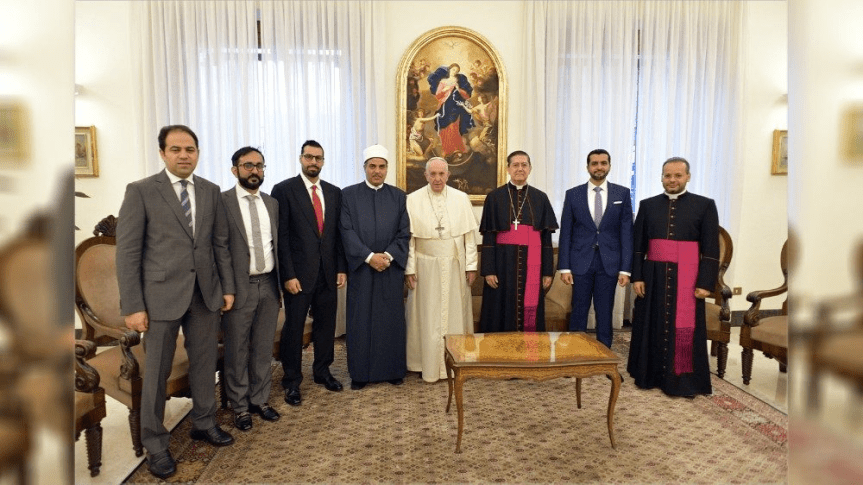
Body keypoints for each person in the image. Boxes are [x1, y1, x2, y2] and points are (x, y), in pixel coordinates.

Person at [116, 125, 235, 480]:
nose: (184, 155)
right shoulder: (141, 191)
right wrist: (133, 305)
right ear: (162, 153)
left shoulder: (211, 191)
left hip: (205, 294)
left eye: (190, 149)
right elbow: (128, 253)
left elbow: (219, 245)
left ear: (198, 152)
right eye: (176, 149)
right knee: (157, 373)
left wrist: (227, 288)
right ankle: (155, 444)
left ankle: (204, 422)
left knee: (204, 364)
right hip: (159, 298)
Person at [627, 157, 719, 397]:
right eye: (668, 175)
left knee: (684, 328)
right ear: (661, 177)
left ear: (688, 177)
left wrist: (705, 283)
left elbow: (711, 249)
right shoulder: (648, 205)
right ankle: (649, 376)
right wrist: (637, 277)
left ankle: (683, 379)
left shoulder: (705, 205)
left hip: (688, 275)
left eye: (678, 175)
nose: (672, 180)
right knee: (652, 324)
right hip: (653, 276)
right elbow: (638, 246)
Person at [271, 140, 347, 407]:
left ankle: (322, 371)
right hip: (298, 277)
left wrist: (340, 268)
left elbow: (337, 235)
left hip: (328, 272)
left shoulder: (334, 192)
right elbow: (281, 237)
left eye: (318, 158)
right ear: (301, 159)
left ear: (323, 161)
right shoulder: (283, 190)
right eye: (309, 157)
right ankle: (292, 381)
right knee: (293, 328)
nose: (313, 162)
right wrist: (287, 275)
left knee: (326, 326)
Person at [339, 144, 411, 389]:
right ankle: (360, 374)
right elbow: (346, 231)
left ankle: (392, 370)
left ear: (387, 168)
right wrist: (369, 257)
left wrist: (388, 256)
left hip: (389, 268)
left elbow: (404, 232)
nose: (377, 171)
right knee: (360, 320)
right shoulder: (348, 195)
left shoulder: (399, 196)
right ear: (365, 168)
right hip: (362, 269)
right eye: (372, 166)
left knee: (390, 320)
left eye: (381, 166)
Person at [220, 147, 281, 431]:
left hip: (269, 284)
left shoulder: (272, 203)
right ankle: (240, 406)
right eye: (248, 165)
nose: (254, 171)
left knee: (263, 347)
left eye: (259, 165)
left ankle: (260, 400)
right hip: (238, 286)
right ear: (235, 170)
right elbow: (217, 249)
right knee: (237, 348)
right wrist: (225, 288)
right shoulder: (222, 203)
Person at [404, 157, 478, 382]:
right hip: (425, 266)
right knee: (425, 314)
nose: (437, 179)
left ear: (448, 175)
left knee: (455, 313)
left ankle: (455, 361)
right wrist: (409, 269)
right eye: (433, 174)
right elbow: (409, 240)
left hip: (454, 265)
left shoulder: (461, 198)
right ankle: (423, 362)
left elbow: (469, 238)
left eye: (441, 174)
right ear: (426, 175)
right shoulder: (412, 199)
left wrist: (471, 266)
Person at [558, 149, 633, 348]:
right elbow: (566, 232)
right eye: (594, 163)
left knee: (605, 310)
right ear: (588, 167)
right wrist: (564, 267)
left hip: (609, 263)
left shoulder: (622, 193)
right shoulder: (573, 194)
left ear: (609, 166)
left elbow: (626, 233)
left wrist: (625, 269)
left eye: (603, 163)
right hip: (580, 262)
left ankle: (604, 352)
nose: (599, 167)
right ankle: (575, 352)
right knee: (579, 309)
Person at [478, 150, 558, 332]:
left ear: (530, 168)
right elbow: (488, 237)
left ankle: (529, 348)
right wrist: (488, 270)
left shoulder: (540, 198)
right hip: (502, 264)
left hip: (533, 264)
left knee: (530, 314)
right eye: (515, 165)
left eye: (524, 165)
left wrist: (547, 272)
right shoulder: (494, 197)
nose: (520, 168)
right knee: (499, 310)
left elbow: (546, 238)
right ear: (508, 169)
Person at [428, 63, 475, 157]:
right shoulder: (443, 81)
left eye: (456, 71)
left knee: (454, 126)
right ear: (449, 70)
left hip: (455, 106)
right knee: (444, 127)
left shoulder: (459, 81)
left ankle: (456, 149)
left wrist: (458, 89)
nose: (454, 72)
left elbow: (466, 96)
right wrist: (445, 89)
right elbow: (438, 95)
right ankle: (447, 150)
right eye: (453, 70)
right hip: (445, 106)